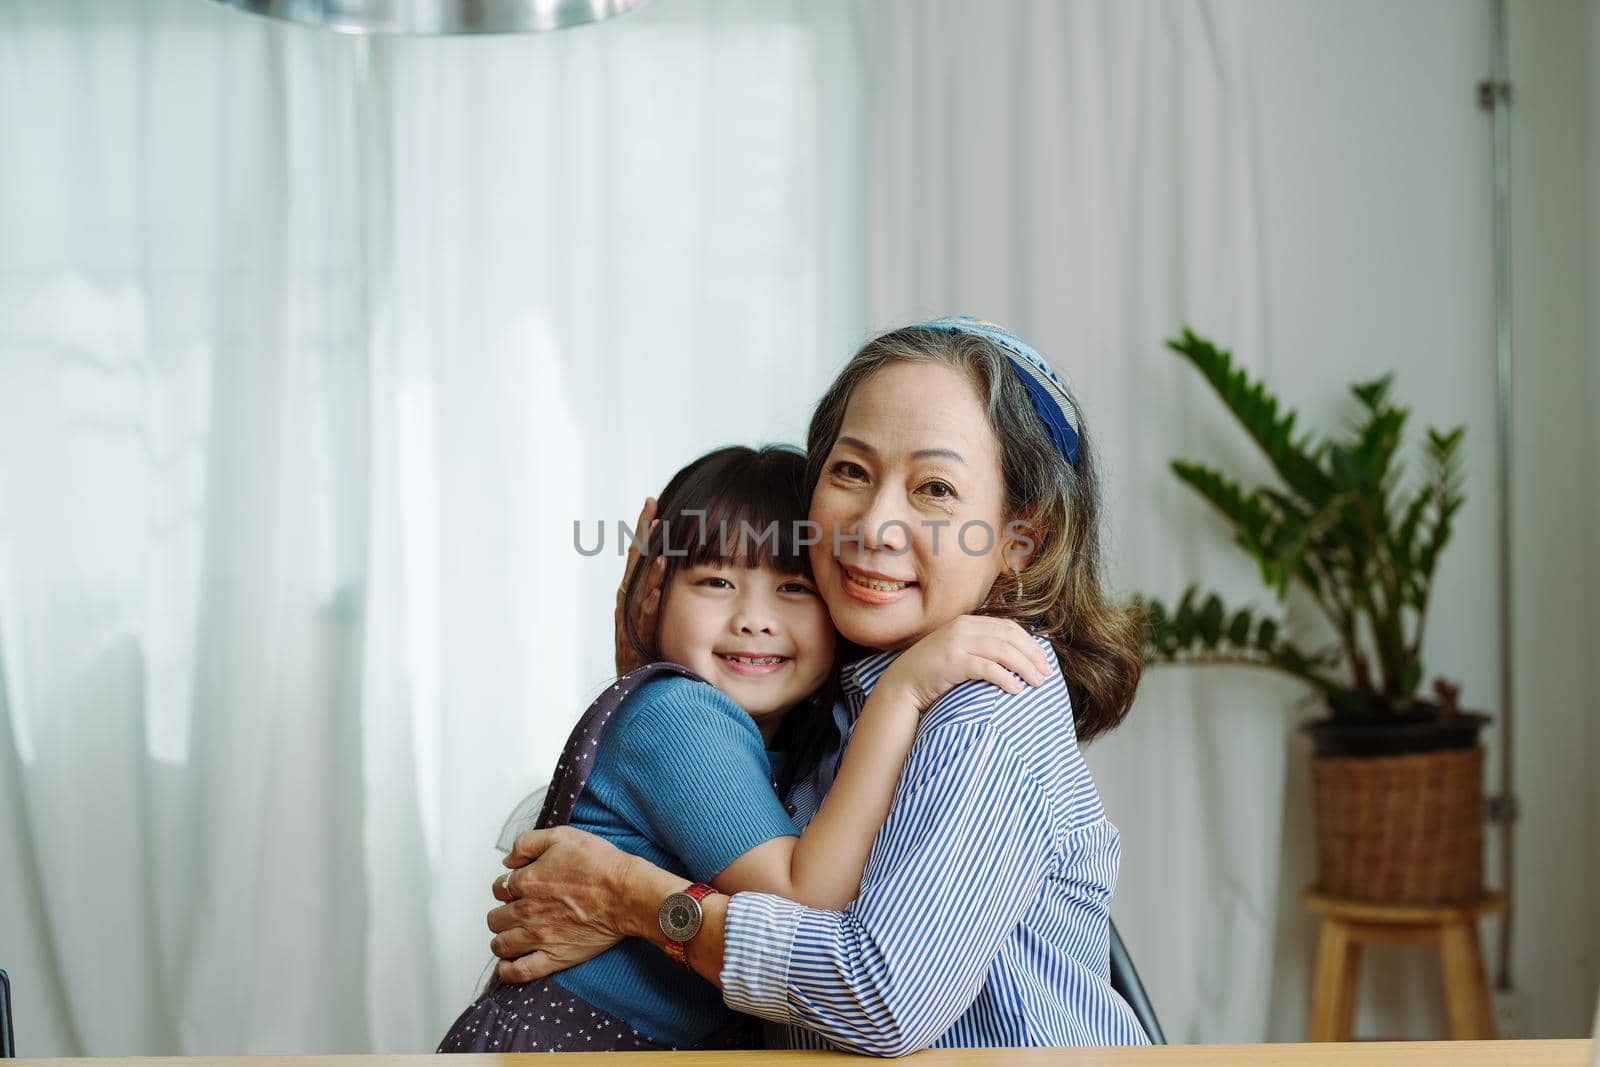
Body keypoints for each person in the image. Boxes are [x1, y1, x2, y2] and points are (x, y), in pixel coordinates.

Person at [485, 318, 1149, 1052]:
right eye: (851, 471)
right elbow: (704, 780)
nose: (875, 525)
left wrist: (637, 899)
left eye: (934, 488)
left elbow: (882, 998)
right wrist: (649, 661)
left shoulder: (984, 705)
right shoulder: (840, 699)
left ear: (1022, 537)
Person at [439, 443, 1050, 1053]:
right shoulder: (678, 714)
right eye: (715, 581)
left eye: (793, 587)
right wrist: (901, 692)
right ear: (654, 590)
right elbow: (802, 898)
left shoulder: (792, 740)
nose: (754, 618)